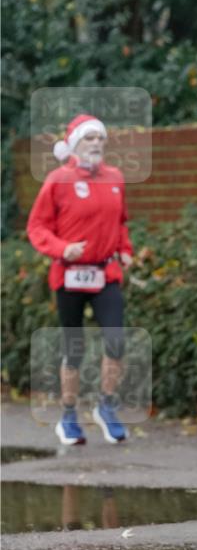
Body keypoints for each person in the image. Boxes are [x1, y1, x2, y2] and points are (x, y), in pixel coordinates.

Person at [27, 113, 133, 446]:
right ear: (74, 145)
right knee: (74, 348)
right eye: (89, 139)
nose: (97, 144)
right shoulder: (58, 180)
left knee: (116, 340)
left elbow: (121, 222)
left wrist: (125, 248)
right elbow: (37, 227)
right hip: (69, 275)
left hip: (105, 274)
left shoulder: (115, 177)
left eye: (100, 139)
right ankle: (69, 415)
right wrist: (62, 248)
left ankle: (106, 406)